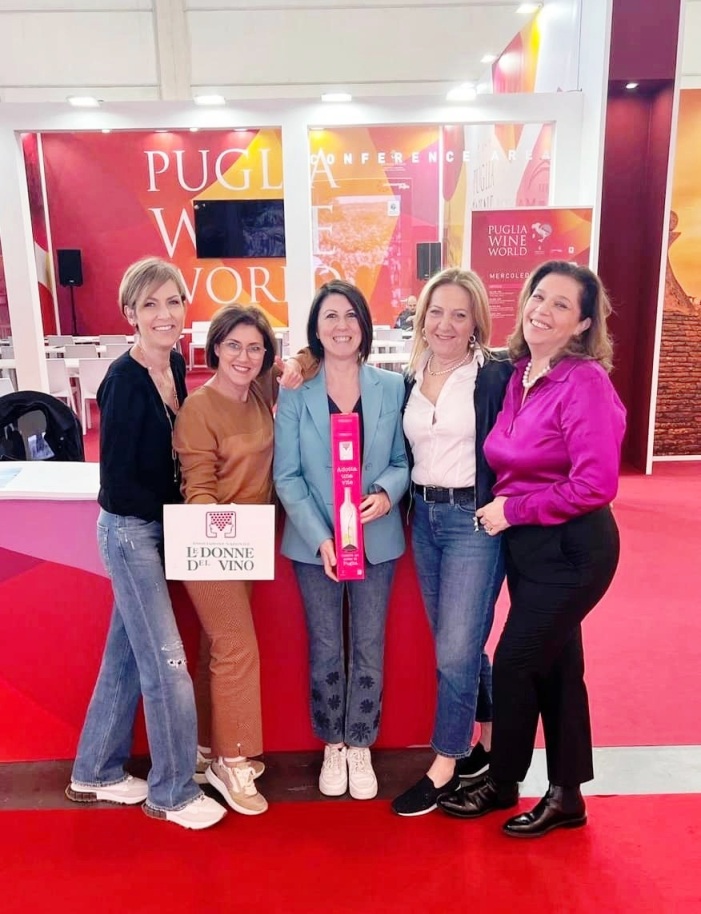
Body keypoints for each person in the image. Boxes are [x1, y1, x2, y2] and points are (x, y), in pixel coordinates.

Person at [438, 261, 626, 837]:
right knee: (559, 665)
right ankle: (568, 795)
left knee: (517, 661)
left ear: (583, 324)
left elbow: (596, 484)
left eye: (561, 305)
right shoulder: (520, 372)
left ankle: (502, 781)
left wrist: (513, 510)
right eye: (538, 296)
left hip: (573, 549)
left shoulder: (583, 381)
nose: (541, 310)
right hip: (530, 549)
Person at [66, 257, 225, 831]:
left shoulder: (174, 364)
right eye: (150, 304)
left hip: (158, 530)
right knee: (167, 664)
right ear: (130, 313)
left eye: (173, 301)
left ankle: (95, 770)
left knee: (128, 657)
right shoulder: (124, 381)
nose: (165, 314)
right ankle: (173, 791)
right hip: (131, 533)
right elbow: (120, 486)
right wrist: (181, 514)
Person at [273, 280, 409, 800]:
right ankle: (333, 740)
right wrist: (320, 537)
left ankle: (360, 742)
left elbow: (401, 461)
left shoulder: (390, 387)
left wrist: (387, 494)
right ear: (316, 328)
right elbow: (286, 475)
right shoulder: (296, 392)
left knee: (369, 644)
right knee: (326, 643)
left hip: (376, 538)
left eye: (351, 315)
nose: (341, 326)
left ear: (364, 326)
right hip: (316, 546)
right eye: (330, 316)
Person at [390, 268, 513, 817]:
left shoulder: (495, 376)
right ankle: (487, 741)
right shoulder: (409, 375)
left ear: (476, 322)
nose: (446, 324)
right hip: (424, 518)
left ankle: (447, 760)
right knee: (460, 641)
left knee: (456, 649)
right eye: (436, 312)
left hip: (473, 521)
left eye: (459, 314)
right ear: (422, 317)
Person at [173, 305, 277, 816]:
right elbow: (198, 488)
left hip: (250, 541)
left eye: (255, 347)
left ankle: (205, 748)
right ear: (215, 347)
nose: (244, 356)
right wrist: (219, 536)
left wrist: (298, 362)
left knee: (215, 648)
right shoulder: (199, 408)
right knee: (236, 647)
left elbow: (304, 361)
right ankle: (231, 760)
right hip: (211, 542)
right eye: (233, 345)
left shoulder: (258, 390)